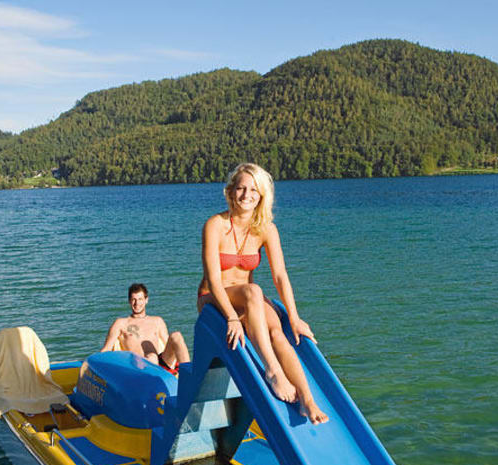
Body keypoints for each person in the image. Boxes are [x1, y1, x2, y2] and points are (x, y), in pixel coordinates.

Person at [197, 163, 328, 424]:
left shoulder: (266, 229)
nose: (246, 195)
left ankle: (307, 400)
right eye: (241, 188)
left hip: (248, 299)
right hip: (213, 298)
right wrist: (231, 317)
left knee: (277, 331)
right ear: (231, 191)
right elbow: (213, 278)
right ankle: (272, 370)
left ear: (262, 196)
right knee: (253, 290)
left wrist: (294, 317)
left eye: (254, 190)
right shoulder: (215, 225)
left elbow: (280, 275)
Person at [100, 283, 190, 374]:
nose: (137, 303)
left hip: (161, 364)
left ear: (146, 300)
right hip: (137, 368)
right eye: (133, 299)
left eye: (140, 299)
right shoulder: (121, 323)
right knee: (151, 357)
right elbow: (106, 350)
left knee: (176, 336)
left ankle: (190, 375)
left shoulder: (157, 321)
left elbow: (168, 346)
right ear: (129, 301)